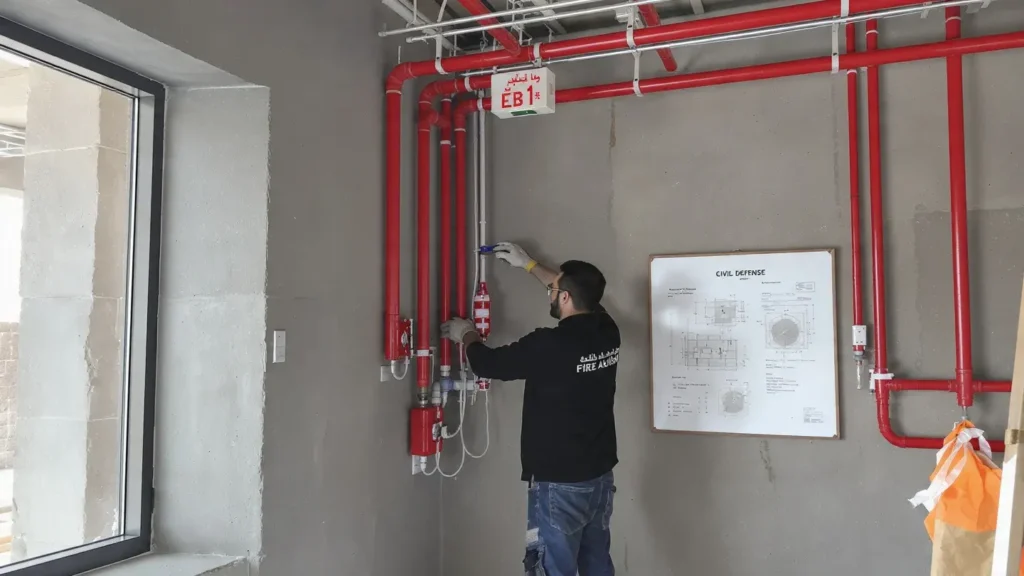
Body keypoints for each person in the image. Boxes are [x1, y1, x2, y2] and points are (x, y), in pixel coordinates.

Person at [441, 242, 620, 576]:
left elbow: (489, 363)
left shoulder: (548, 345)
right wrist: (529, 265)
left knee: (553, 569)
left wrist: (465, 334)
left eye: (553, 290)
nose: (549, 293)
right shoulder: (608, 332)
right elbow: (575, 291)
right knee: (597, 564)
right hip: (598, 477)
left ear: (564, 297)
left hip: (559, 485)